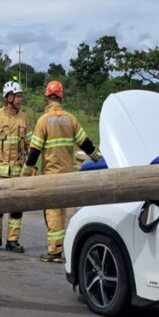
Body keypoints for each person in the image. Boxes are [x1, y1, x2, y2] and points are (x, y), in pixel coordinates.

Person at [22, 80, 102, 263]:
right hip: (68, 175)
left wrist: (25, 174)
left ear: (47, 97)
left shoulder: (43, 121)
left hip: (51, 175)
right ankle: (60, 248)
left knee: (51, 212)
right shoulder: (71, 119)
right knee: (62, 212)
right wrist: (98, 158)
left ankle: (54, 251)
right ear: (61, 97)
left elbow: (34, 151)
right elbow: (86, 144)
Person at [0, 80, 30, 253]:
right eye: (17, 96)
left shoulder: (24, 118)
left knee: (17, 208)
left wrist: (31, 166)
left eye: (20, 96)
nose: (20, 99)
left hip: (18, 172)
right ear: (8, 97)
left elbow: (29, 144)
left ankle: (13, 241)